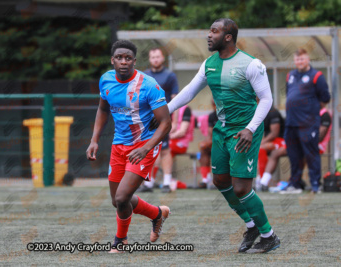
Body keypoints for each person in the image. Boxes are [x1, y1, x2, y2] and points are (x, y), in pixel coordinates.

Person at [157, 18, 280, 253]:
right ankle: (251, 225)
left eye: (214, 31)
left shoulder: (251, 64)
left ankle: (269, 236)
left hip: (246, 131)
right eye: (209, 30)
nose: (209, 35)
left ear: (228, 37)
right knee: (221, 181)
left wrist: (251, 129)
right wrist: (166, 111)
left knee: (242, 187)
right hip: (222, 131)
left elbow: (267, 100)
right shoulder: (209, 64)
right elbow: (189, 91)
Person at [86, 40, 172, 253]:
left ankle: (120, 241)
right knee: (118, 201)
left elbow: (166, 123)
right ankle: (156, 214)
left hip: (145, 145)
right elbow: (103, 109)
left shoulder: (149, 85)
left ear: (134, 61)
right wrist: (94, 139)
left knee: (123, 197)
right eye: (119, 58)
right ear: (112, 60)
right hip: (119, 145)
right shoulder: (106, 80)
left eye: (128, 58)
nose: (123, 62)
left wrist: (146, 148)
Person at [282, 48, 331, 194]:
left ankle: (316, 184)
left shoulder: (316, 76)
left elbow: (325, 98)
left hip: (308, 123)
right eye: (297, 59)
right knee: (293, 155)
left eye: (302, 59)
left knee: (311, 154)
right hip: (291, 123)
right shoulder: (290, 75)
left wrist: (310, 108)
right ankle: (295, 184)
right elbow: (288, 94)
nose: (300, 62)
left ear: (308, 59)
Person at [259, 104, 332, 191]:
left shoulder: (324, 115)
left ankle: (303, 182)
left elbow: (320, 137)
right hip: (303, 143)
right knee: (277, 152)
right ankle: (264, 181)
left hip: (316, 146)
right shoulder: (309, 113)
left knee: (298, 152)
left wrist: (302, 141)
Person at [141, 48, 179, 193]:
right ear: (150, 59)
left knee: (164, 150)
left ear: (162, 58)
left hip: (163, 119)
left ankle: (167, 183)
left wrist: (174, 121)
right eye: (152, 57)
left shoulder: (170, 76)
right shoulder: (144, 76)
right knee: (147, 149)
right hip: (146, 121)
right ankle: (148, 183)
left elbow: (175, 99)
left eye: (157, 56)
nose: (155, 59)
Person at [257, 106, 285, 191]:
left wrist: (261, 142)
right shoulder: (259, 112)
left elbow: (274, 133)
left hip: (282, 140)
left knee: (260, 148)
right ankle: (261, 179)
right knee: (257, 149)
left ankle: (263, 180)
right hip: (272, 140)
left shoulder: (273, 112)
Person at [198, 99, 218, 188]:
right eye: (213, 105)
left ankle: (219, 179)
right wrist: (207, 142)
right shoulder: (212, 116)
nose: (215, 107)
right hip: (215, 142)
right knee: (203, 149)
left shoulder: (228, 115)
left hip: (227, 142)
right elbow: (210, 133)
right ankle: (205, 178)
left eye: (216, 104)